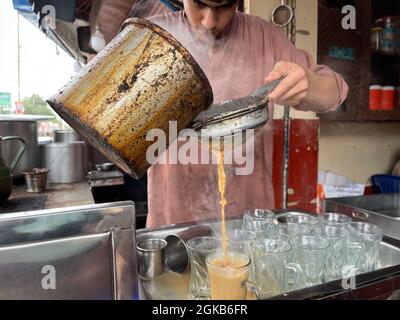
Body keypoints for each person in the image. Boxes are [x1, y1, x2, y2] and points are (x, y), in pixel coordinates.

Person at [146, 0, 349, 228]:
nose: (210, 21)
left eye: (224, 6)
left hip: (250, 227)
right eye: (198, 3)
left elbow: (337, 91)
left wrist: (310, 85)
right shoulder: (151, 37)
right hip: (172, 227)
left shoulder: (263, 36)